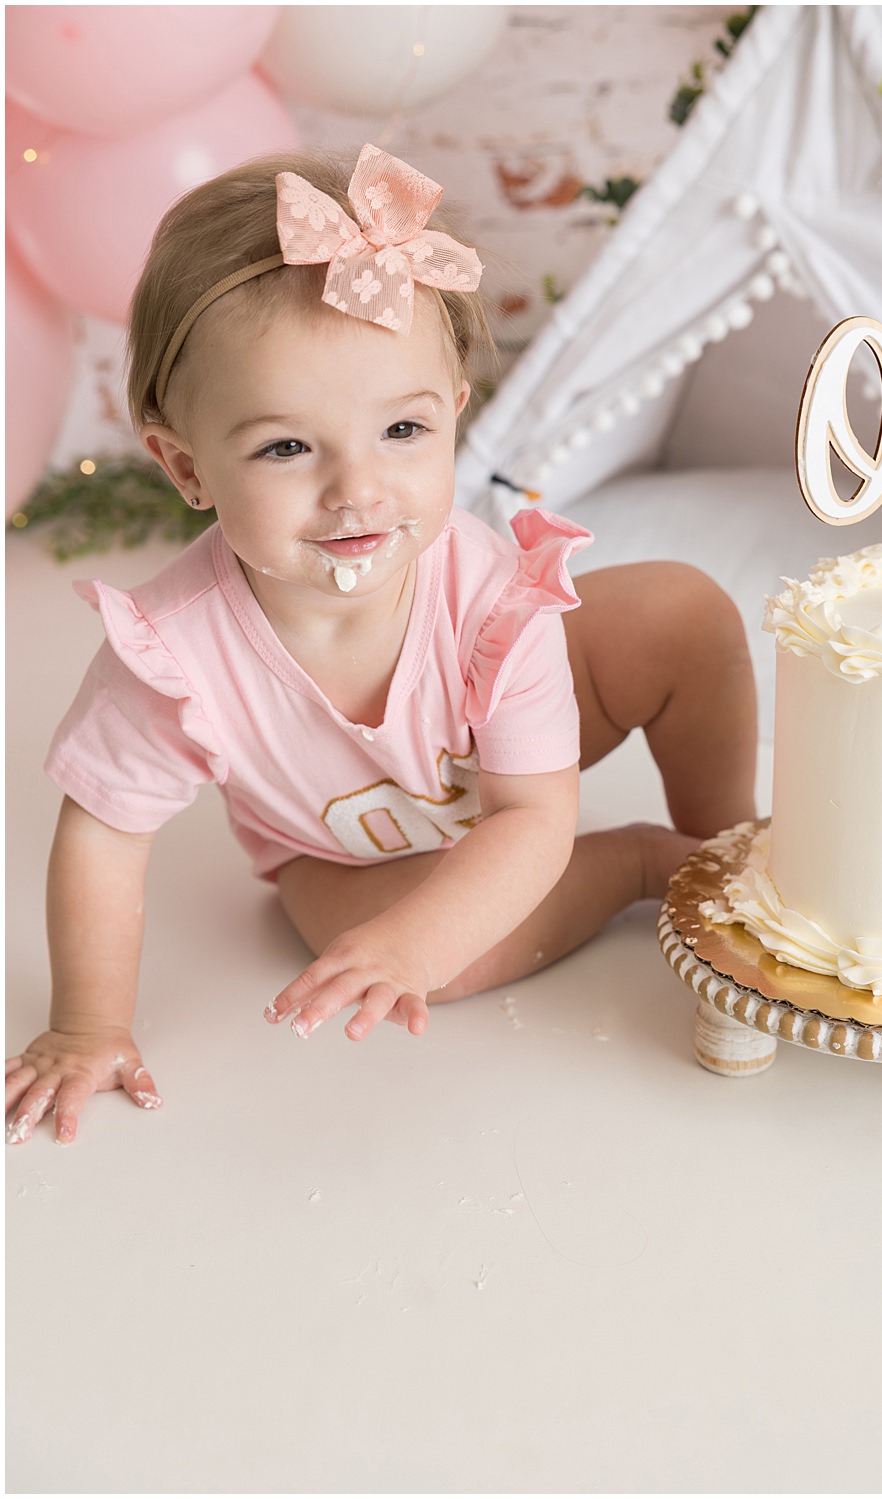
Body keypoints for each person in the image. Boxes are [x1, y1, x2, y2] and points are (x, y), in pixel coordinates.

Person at [7, 146, 756, 1144]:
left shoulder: (489, 593)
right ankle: (632, 866)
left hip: (517, 769)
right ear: (187, 467)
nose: (357, 491)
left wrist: (441, 919)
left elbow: (532, 811)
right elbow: (102, 833)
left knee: (681, 607)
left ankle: (727, 845)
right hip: (343, 856)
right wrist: (86, 1023)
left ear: (453, 412)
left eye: (402, 430)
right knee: (436, 954)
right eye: (285, 447)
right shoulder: (173, 656)